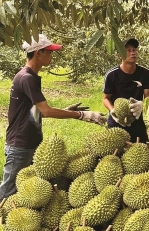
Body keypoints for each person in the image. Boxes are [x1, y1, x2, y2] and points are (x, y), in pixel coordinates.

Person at [0, 34, 107, 200]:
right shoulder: (26, 78)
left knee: (27, 192)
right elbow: (46, 111)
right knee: (7, 192)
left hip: (30, 143)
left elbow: (33, 111)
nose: (52, 55)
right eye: (48, 52)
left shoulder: (30, 77)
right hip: (20, 145)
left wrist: (64, 110)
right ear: (38, 53)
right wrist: (81, 115)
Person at [102, 38, 149, 143]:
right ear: (119, 55)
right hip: (116, 120)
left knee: (143, 150)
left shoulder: (145, 73)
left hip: (136, 117)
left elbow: (148, 99)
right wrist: (113, 111)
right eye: (128, 50)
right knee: (114, 154)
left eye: (134, 50)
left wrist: (141, 105)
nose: (133, 53)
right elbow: (105, 98)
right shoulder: (112, 75)